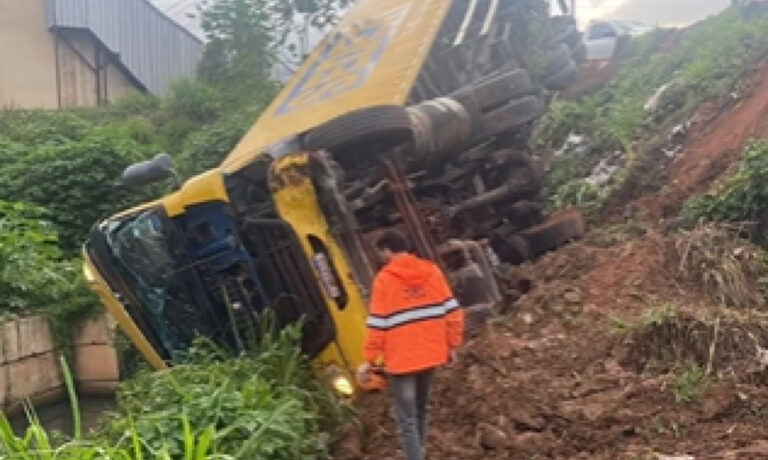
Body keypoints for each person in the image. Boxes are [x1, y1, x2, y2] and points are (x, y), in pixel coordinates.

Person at [358, 230, 464, 460]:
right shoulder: (432, 272)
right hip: (431, 354)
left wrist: (368, 360)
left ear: (387, 251)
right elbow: (453, 312)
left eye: (381, 252)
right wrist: (452, 345)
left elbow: (378, 325)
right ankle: (420, 453)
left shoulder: (384, 280)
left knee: (406, 420)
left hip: (402, 361)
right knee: (421, 410)